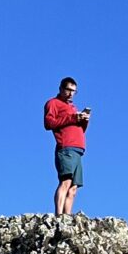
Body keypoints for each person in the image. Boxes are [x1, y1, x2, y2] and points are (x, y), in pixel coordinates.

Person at [44, 76, 91, 215]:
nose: (71, 94)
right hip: (66, 147)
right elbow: (49, 123)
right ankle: (58, 216)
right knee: (65, 181)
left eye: (74, 91)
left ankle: (67, 217)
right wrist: (72, 118)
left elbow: (79, 129)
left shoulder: (72, 107)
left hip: (78, 149)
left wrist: (83, 120)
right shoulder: (53, 103)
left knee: (74, 187)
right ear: (61, 89)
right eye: (68, 90)